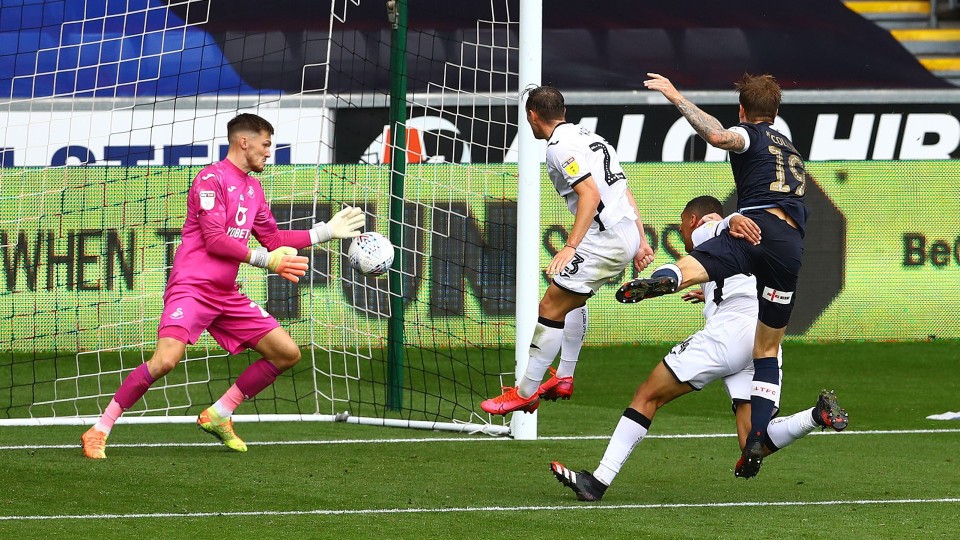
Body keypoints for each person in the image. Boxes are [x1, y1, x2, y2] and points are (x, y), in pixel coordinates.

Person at [81, 113, 365, 459]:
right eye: (265, 144)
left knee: (286, 354)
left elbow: (274, 239)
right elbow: (215, 240)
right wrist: (265, 260)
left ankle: (219, 413)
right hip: (191, 288)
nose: (268, 152)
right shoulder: (210, 179)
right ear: (244, 142)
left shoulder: (254, 188)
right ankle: (99, 429)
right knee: (165, 361)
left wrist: (324, 232)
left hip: (225, 294)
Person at [551, 196, 848, 501]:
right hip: (762, 336)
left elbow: (716, 226)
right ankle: (816, 415)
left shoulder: (710, 229)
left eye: (682, 225)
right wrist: (710, 294)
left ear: (692, 220)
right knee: (752, 438)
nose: (682, 232)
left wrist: (726, 221)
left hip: (727, 334)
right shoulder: (754, 239)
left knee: (647, 396)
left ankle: (598, 481)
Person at [616, 73, 809, 478]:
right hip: (791, 247)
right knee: (768, 349)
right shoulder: (789, 148)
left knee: (698, 262)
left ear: (743, 110)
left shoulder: (750, 134)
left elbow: (719, 137)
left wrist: (675, 96)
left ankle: (670, 277)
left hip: (756, 228)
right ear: (776, 112)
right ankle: (757, 438)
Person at [481, 86, 655, 415]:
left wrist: (570, 246)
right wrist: (641, 239)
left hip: (604, 239)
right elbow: (622, 188)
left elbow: (590, 195)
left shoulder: (559, 148)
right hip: (624, 230)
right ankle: (564, 375)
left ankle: (525, 392)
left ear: (532, 116)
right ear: (563, 111)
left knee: (550, 305)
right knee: (571, 296)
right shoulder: (591, 136)